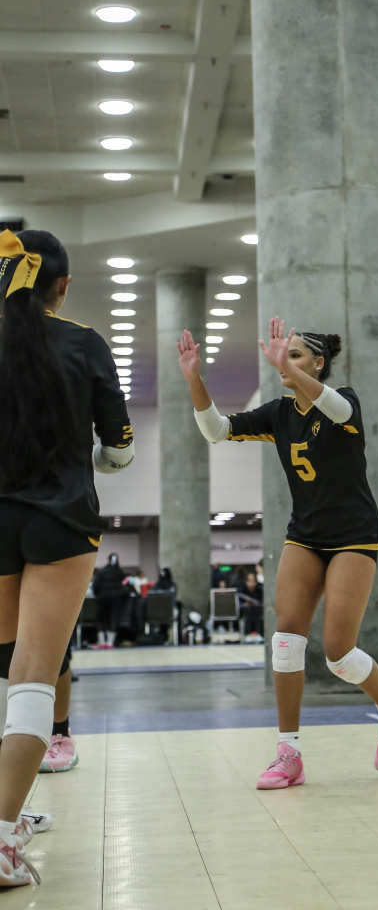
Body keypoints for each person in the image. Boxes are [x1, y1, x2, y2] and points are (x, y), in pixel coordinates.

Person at [178, 316, 378, 789]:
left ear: (318, 363)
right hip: (305, 535)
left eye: (295, 355)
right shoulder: (279, 413)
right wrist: (194, 379)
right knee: (285, 640)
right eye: (283, 355)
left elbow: (334, 408)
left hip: (353, 536)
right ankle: (289, 753)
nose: (284, 362)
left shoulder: (344, 401)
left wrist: (282, 365)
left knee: (339, 654)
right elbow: (216, 430)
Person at [0, 228, 134, 885]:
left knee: (3, 668)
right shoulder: (84, 342)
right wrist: (95, 457)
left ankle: (6, 816)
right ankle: (2, 836)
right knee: (35, 674)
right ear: (63, 285)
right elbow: (120, 449)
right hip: (61, 522)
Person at [92, 553, 128, 648]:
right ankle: (110, 643)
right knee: (113, 619)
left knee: (100, 620)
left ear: (108, 560)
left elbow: (95, 586)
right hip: (116, 600)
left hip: (103, 599)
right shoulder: (120, 573)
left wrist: (98, 595)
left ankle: (102, 642)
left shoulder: (102, 572)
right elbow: (125, 587)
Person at [239, 569, 264, 640]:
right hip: (246, 610)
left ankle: (259, 633)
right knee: (247, 612)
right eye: (249, 581)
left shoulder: (260, 589)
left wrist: (256, 603)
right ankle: (248, 634)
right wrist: (244, 604)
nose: (251, 584)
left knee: (259, 612)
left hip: (257, 609)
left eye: (253, 581)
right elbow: (239, 603)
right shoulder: (242, 589)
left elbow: (262, 602)